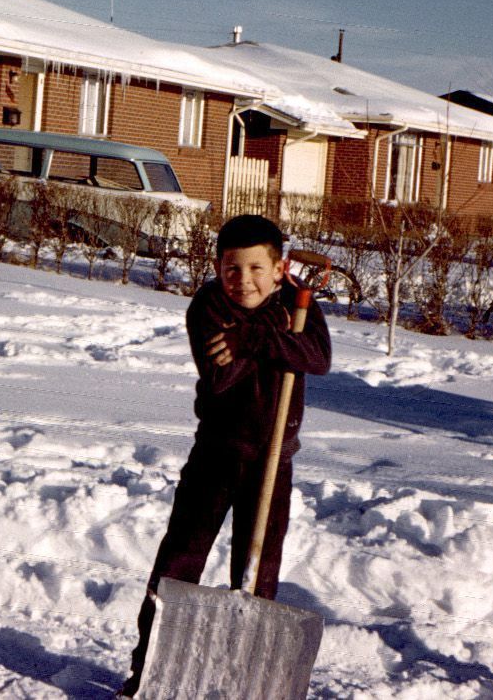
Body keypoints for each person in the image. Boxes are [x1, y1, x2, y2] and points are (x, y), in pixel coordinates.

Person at [122, 213, 331, 695]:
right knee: (179, 564)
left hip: (274, 460)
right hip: (216, 456)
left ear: (279, 269)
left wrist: (251, 338)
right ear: (218, 268)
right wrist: (276, 339)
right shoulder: (208, 307)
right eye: (232, 269)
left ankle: (242, 680)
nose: (244, 280)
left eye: (257, 268)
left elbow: (317, 358)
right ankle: (145, 672)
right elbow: (220, 377)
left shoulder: (299, 303)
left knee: (256, 579)